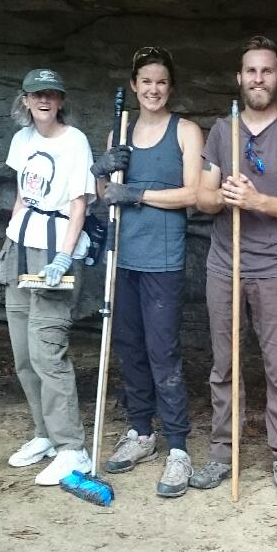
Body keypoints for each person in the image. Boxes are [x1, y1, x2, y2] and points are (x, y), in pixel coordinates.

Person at [192, 35, 277, 502]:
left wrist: (258, 200)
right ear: (239, 78)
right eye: (251, 71)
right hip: (224, 263)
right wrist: (223, 194)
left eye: (267, 71)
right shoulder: (221, 130)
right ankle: (223, 452)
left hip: (276, 266)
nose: (258, 79)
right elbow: (203, 198)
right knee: (224, 365)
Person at [91, 47, 204, 498]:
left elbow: (193, 192)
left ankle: (178, 445)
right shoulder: (119, 130)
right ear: (134, 86)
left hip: (163, 257)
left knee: (163, 351)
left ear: (169, 87)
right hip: (124, 256)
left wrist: (135, 192)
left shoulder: (186, 131)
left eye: (161, 82)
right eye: (146, 82)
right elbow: (105, 196)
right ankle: (141, 431)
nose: (153, 89)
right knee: (129, 346)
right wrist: (101, 172)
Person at [0, 68, 97, 485]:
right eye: (36, 94)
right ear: (25, 99)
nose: (44, 100)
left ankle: (73, 448)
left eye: (52, 95)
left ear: (60, 101)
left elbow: (78, 204)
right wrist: (5, 248)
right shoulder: (22, 141)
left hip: (54, 246)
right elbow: (23, 196)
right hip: (21, 246)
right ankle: (46, 434)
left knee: (47, 349)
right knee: (22, 350)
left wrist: (63, 257)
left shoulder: (74, 142)